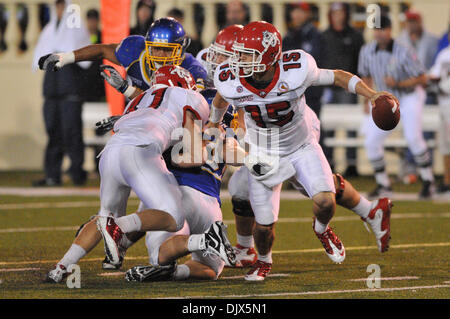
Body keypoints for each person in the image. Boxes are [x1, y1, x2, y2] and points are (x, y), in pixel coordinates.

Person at [207, 21, 398, 281]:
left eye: (248, 55)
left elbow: (338, 76)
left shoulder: (296, 69)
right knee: (263, 223)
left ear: (270, 56)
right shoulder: (231, 78)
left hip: (301, 143)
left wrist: (372, 94)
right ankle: (262, 259)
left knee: (322, 198)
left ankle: (322, 228)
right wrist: (214, 122)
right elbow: (221, 96)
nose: (240, 61)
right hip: (264, 151)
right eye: (240, 54)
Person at [44, 66, 235, 283]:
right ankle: (119, 229)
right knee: (173, 217)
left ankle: (62, 266)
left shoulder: (139, 100)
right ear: (185, 85)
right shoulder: (192, 97)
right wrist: (210, 144)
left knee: (104, 215)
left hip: (110, 153)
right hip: (142, 151)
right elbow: (194, 154)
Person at [358, 15, 434, 199]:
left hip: (409, 96)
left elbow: (422, 78)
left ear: (390, 30)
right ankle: (383, 183)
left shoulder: (403, 50)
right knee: (371, 142)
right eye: (376, 29)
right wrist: (367, 99)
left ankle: (428, 181)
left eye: (382, 29)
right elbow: (365, 76)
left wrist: (400, 83)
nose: (379, 33)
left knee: (413, 137)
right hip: (385, 100)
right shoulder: (367, 51)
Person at [38, 17, 208, 99]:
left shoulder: (192, 70)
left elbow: (166, 108)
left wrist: (127, 89)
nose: (160, 55)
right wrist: (66, 57)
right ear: (147, 45)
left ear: (180, 49)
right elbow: (103, 50)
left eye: (166, 50)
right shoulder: (136, 51)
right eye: (156, 49)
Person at [32, 0, 91, 187]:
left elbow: (81, 55)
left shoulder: (76, 27)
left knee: (72, 134)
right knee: (53, 134)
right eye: (56, 6)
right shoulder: (50, 30)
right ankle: (52, 175)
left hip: (70, 93)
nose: (58, 10)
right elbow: (41, 56)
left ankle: (77, 173)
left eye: (61, 6)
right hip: (52, 93)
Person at [282, 2, 330, 169]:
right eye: (294, 11)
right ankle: (295, 170)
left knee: (313, 130)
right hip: (292, 92)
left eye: (300, 11)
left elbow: (314, 64)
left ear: (307, 14)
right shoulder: (289, 35)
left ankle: (322, 167)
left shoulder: (315, 35)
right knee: (294, 132)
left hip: (310, 92)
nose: (296, 15)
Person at [322, 2, 365, 177]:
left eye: (340, 12)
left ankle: (352, 164)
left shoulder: (355, 36)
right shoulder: (323, 36)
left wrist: (357, 85)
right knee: (327, 127)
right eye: (335, 13)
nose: (338, 16)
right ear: (330, 15)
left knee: (351, 126)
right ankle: (328, 162)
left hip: (347, 88)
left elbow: (360, 62)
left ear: (346, 14)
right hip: (329, 87)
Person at [428, 37, 450, 193]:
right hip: (444, 104)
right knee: (445, 145)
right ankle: (447, 181)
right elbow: (433, 75)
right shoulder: (444, 54)